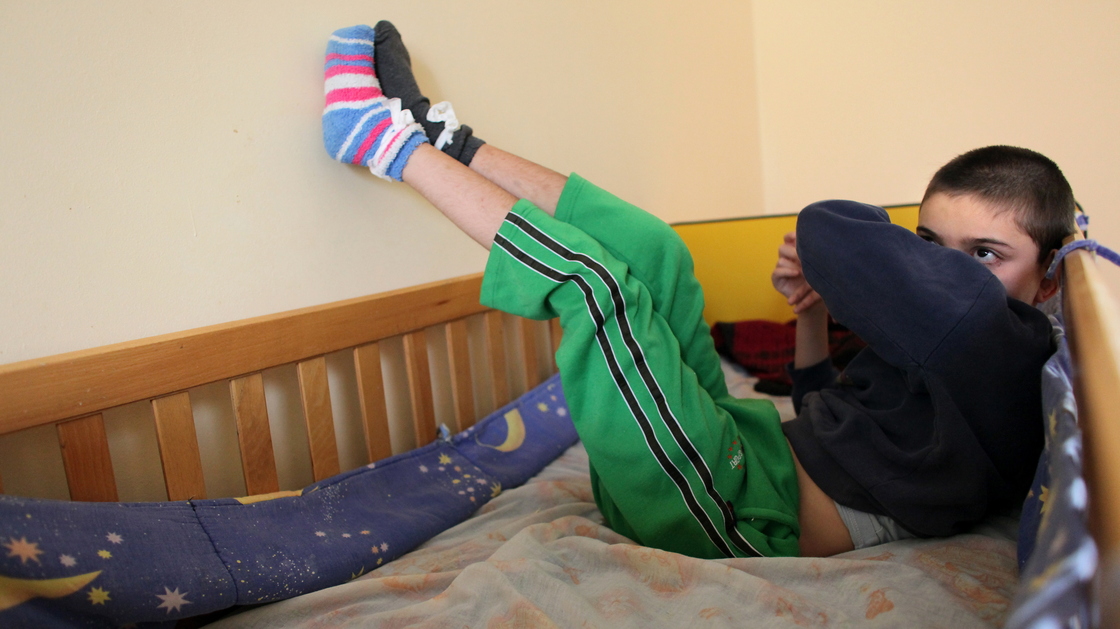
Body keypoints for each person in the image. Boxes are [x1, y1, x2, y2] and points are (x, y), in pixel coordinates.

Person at [322, 23, 1074, 559]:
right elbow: (830, 413)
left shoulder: (1004, 345)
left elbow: (830, 227)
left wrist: (877, 268)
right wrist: (809, 317)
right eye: (930, 244)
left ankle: (383, 143)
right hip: (739, 450)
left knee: (597, 285)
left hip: (731, 509)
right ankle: (452, 143)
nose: (951, 271)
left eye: (983, 254)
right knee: (660, 253)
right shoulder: (944, 338)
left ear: (1049, 277)